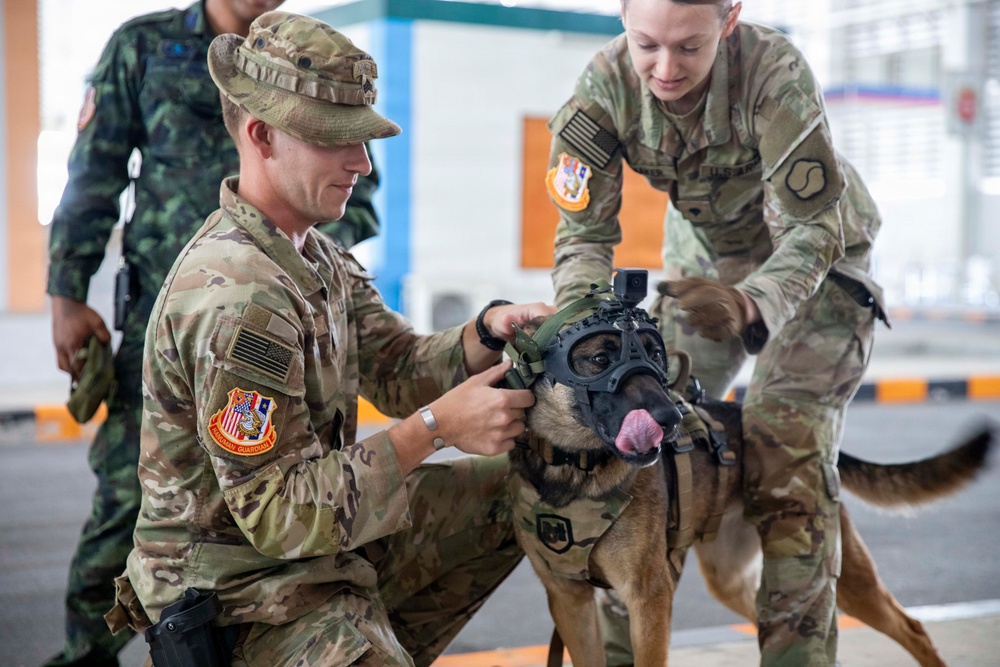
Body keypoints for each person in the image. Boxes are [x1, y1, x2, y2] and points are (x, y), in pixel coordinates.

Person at [103, 11, 554, 666]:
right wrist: (434, 427)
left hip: (313, 549)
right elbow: (279, 513)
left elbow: (398, 367)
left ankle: (370, 640)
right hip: (240, 592)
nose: (362, 163)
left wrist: (487, 330)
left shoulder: (316, 254)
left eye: (362, 140)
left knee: (519, 489)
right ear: (262, 136)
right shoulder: (238, 297)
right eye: (337, 141)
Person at [42, 1, 387, 664]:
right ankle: (86, 656)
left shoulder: (305, 59)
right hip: (162, 332)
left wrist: (301, 262)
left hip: (269, 322)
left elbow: (357, 197)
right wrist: (66, 294)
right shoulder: (143, 48)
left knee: (265, 502)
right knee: (126, 510)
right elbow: (92, 175)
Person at [546, 0, 888, 664]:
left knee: (780, 449)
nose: (664, 68)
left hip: (817, 267)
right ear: (621, 15)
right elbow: (583, 236)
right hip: (705, 262)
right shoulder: (604, 89)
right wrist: (588, 345)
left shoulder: (774, 73)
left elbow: (814, 229)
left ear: (728, 20)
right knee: (629, 424)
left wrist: (755, 301)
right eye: (646, 44)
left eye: (688, 47)